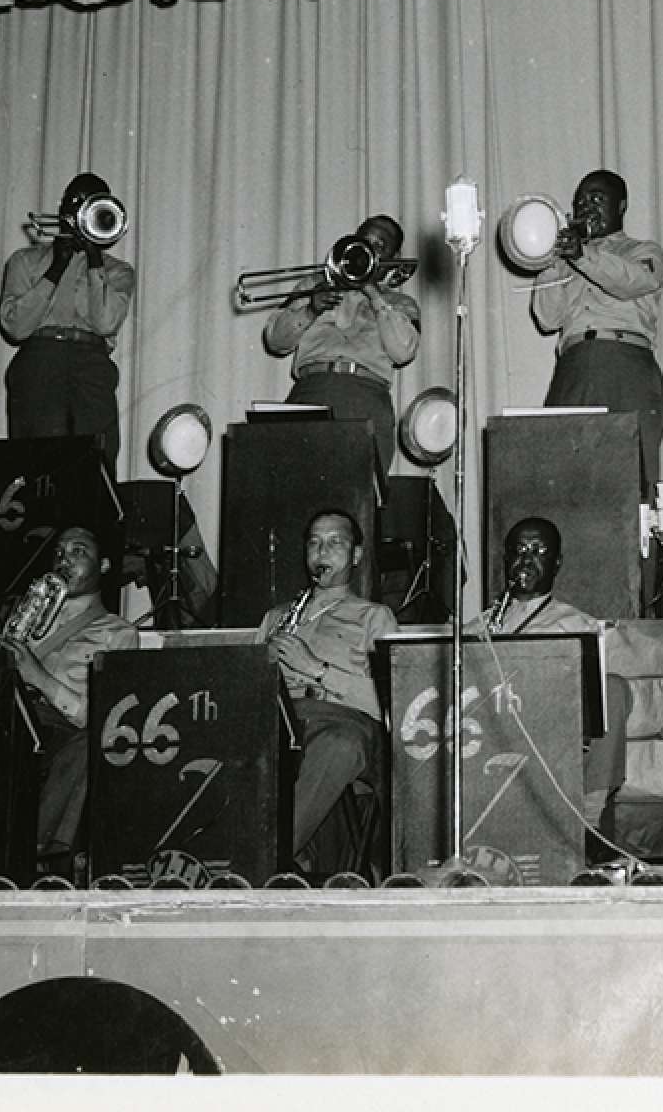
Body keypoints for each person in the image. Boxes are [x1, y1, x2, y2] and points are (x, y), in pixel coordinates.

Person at [467, 517, 633, 835]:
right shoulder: (476, 627)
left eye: (539, 551)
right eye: (519, 550)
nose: (526, 560)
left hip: (550, 733)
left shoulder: (578, 625)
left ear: (555, 564)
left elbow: (598, 705)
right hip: (487, 731)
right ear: (506, 560)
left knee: (612, 687)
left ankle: (590, 824)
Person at [257, 509, 398, 873]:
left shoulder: (374, 616)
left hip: (345, 723)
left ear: (356, 556)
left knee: (338, 744)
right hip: (279, 721)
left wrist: (315, 670)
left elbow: (391, 706)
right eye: (315, 543)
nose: (323, 552)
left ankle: (263, 860)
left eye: (336, 543)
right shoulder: (276, 617)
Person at [0, 524, 140, 877]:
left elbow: (103, 718)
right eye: (60, 551)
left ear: (104, 565)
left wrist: (38, 678)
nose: (65, 559)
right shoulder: (27, 620)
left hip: (61, 729)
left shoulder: (118, 632)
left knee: (90, 745)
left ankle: (43, 857)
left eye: (79, 551)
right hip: (7, 716)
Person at [531, 171, 663, 493]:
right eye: (580, 201)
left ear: (621, 206)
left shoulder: (642, 250)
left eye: (597, 199)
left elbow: (633, 282)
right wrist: (552, 260)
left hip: (627, 366)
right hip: (574, 366)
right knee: (566, 473)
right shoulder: (562, 261)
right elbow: (547, 319)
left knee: (633, 478)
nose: (586, 206)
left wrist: (583, 255)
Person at [264, 215, 421, 485]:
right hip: (310, 393)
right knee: (294, 495)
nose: (369, 249)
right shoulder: (311, 286)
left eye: (380, 246)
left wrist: (374, 296)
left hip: (366, 400)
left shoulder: (401, 303)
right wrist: (311, 308)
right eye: (364, 240)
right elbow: (275, 342)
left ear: (392, 259)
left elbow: (403, 351)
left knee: (357, 504)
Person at [0, 172, 137, 467]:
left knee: (95, 466)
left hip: (92, 365)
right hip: (39, 362)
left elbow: (106, 323)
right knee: (37, 467)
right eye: (78, 204)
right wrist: (55, 268)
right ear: (64, 210)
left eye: (96, 205)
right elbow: (15, 328)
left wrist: (94, 260)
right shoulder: (25, 260)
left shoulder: (118, 272)